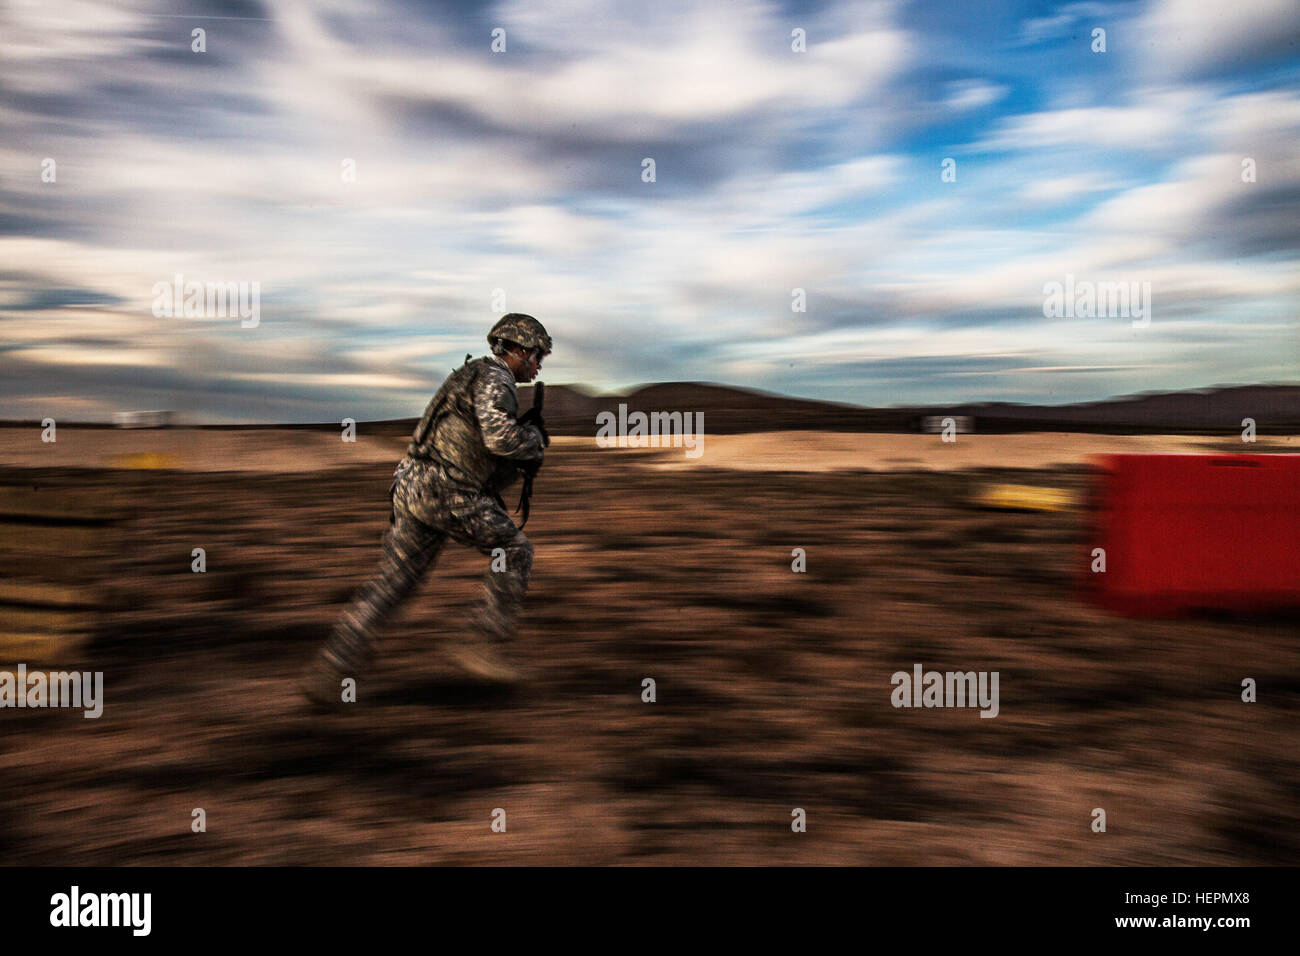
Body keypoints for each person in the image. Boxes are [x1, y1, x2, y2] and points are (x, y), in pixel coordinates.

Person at [301, 314, 552, 709]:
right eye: (538, 355)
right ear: (519, 349)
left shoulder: (467, 375)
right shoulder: (495, 378)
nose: (539, 365)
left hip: (412, 486)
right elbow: (500, 439)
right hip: (446, 491)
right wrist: (534, 441)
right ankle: (481, 644)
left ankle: (334, 667)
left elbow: (472, 445)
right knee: (517, 551)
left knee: (396, 582)